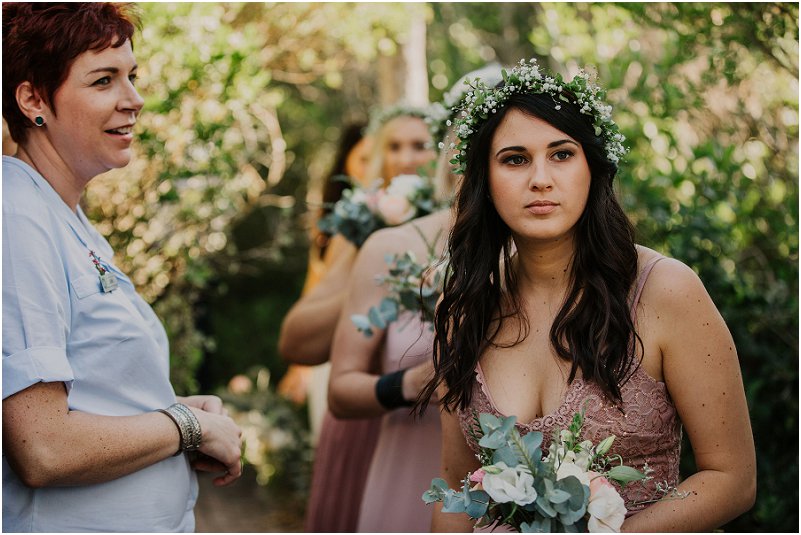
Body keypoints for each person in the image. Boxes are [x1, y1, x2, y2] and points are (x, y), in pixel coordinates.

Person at [418, 59, 756, 532]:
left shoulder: (665, 292)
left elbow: (732, 478)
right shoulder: (465, 307)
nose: (540, 178)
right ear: (485, 181)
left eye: (561, 154)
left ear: (592, 167)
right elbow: (455, 486)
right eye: (515, 159)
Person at [2, 4, 242, 532]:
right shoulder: (15, 215)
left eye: (131, 76)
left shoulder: (63, 214)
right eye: (104, 80)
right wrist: (185, 426)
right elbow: (41, 446)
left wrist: (171, 405)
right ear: (33, 98)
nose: (133, 100)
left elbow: (86, 394)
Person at [326, 68, 504, 533]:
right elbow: (341, 392)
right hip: (410, 470)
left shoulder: (548, 257)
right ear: (451, 150)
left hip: (513, 486)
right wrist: (417, 382)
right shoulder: (390, 249)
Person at [279, 104, 436, 532]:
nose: (405, 159)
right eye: (393, 147)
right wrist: (377, 274)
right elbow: (296, 342)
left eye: (420, 145)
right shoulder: (364, 227)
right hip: (370, 413)